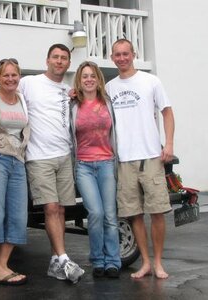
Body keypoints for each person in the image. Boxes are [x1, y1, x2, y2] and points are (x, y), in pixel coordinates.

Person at [105, 38, 175, 279]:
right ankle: (144, 262)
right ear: (112, 57)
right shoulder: (109, 87)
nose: (122, 58)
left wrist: (169, 143)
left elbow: (167, 112)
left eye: (126, 53)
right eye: (117, 54)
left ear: (133, 54)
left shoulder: (150, 81)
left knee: (157, 211)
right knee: (134, 214)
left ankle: (158, 263)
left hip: (151, 156)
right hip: (124, 160)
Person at [18, 44, 85, 284]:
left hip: (64, 155)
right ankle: (63, 258)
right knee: (51, 208)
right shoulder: (29, 83)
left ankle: (57, 261)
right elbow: (5, 94)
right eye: (55, 57)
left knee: (62, 209)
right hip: (39, 156)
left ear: (68, 63)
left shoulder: (68, 91)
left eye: (64, 58)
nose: (59, 61)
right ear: (47, 60)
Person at [70, 61, 121, 278]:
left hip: (107, 163)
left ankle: (113, 262)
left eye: (92, 76)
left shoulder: (108, 103)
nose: (89, 79)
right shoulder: (73, 105)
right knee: (96, 213)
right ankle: (97, 260)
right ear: (79, 82)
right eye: (84, 77)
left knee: (110, 214)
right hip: (84, 166)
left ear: (98, 79)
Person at [0, 58, 30, 285]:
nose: (10, 79)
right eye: (6, 75)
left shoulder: (21, 99)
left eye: (14, 75)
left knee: (19, 215)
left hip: (17, 160)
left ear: (19, 77)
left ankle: (2, 265)